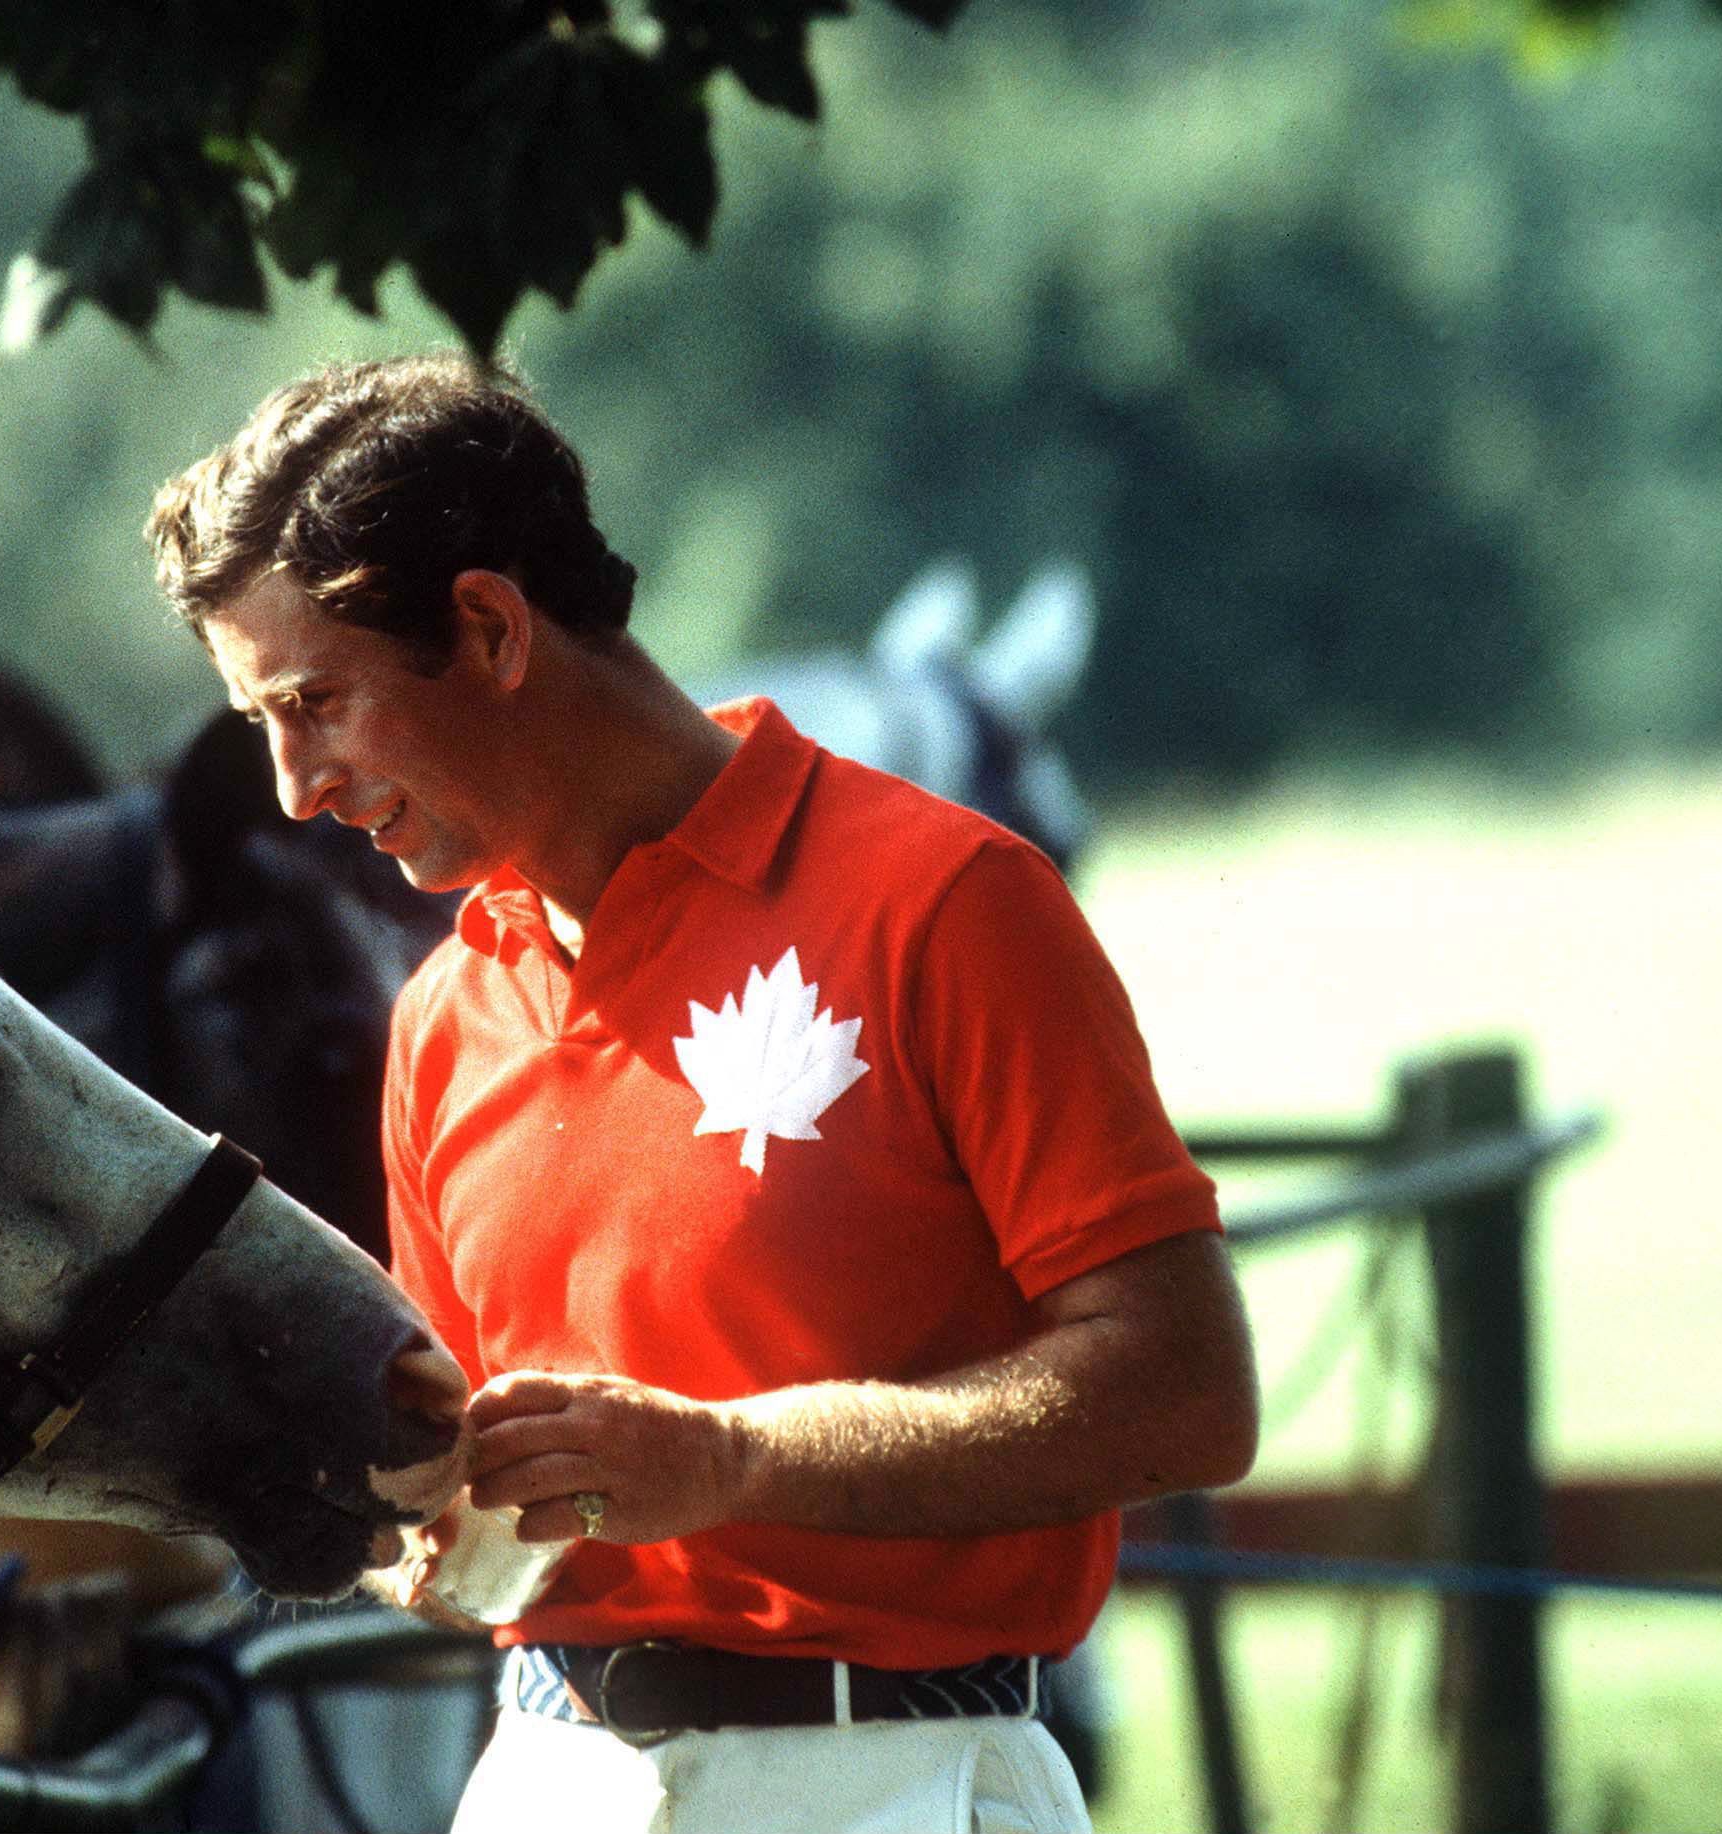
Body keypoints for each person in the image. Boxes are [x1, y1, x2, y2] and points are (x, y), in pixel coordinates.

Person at [145, 354, 1258, 1834]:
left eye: (317, 702)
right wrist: (412, 1527)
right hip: (543, 1784)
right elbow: (485, 1498)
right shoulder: (443, 1019)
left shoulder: (949, 901)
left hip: (899, 1782)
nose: (295, 787)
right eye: (264, 723)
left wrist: (729, 1460)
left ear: (488, 625)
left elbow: (1187, 1393)